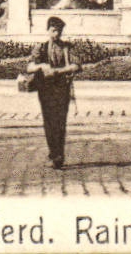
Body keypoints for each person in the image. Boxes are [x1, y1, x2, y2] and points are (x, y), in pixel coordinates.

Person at [25, 16, 81, 169]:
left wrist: (58, 71)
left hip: (62, 87)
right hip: (45, 89)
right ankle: (53, 153)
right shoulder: (40, 48)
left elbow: (76, 65)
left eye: (59, 31)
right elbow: (29, 67)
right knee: (49, 121)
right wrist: (41, 66)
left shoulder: (67, 47)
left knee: (60, 121)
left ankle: (59, 154)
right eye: (53, 30)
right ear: (48, 30)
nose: (56, 34)